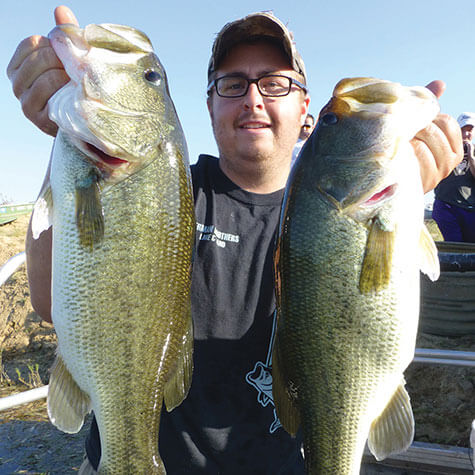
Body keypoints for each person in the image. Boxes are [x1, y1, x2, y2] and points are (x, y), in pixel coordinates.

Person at [7, 6, 462, 474]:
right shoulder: (164, 194)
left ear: (304, 107)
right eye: (232, 84)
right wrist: (66, 131)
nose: (253, 99)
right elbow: (48, 299)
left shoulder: (324, 215)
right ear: (210, 105)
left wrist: (400, 199)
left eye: (275, 83)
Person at [432, 112, 475, 242]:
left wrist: (471, 157)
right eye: (463, 130)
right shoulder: (446, 149)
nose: (466, 134)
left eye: (470, 130)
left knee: (470, 250)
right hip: (446, 205)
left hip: (470, 208)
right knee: (454, 245)